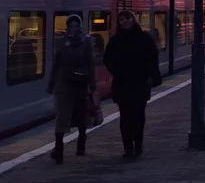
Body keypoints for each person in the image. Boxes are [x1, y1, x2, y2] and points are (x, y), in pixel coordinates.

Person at [104, 10, 161, 159]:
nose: (125, 21)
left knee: (138, 116)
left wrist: (150, 77)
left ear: (133, 19)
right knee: (125, 117)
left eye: (127, 18)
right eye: (122, 19)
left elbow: (153, 58)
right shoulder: (115, 40)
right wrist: (116, 70)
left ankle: (138, 145)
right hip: (122, 84)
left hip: (140, 84)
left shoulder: (144, 38)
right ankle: (128, 147)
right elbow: (107, 59)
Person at [47, 14, 96, 164]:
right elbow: (56, 64)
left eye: (76, 25)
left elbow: (91, 64)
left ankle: (78, 146)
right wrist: (51, 84)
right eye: (71, 26)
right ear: (67, 27)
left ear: (80, 26)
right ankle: (60, 150)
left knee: (77, 116)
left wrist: (92, 85)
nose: (73, 28)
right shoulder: (78, 41)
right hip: (66, 86)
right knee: (66, 118)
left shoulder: (69, 42)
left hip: (77, 85)